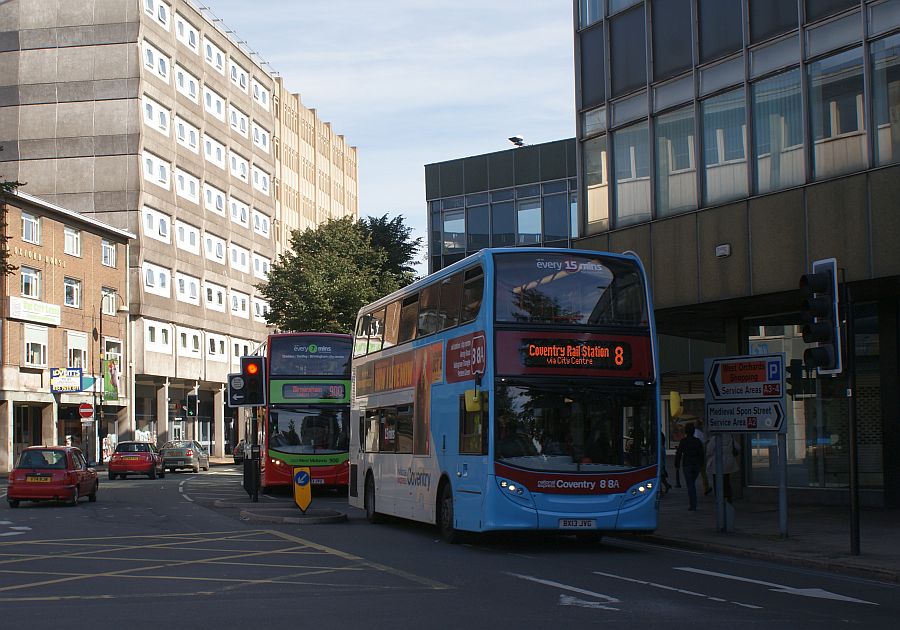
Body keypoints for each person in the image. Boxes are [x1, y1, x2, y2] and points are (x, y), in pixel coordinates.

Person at [674, 424, 704, 511]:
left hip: (687, 464)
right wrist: (701, 464)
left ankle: (693, 504)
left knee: (690, 484)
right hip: (696, 465)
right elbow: (701, 453)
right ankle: (693, 503)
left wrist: (677, 464)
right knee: (692, 483)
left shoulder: (683, 441)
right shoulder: (697, 441)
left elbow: (679, 453)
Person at [705, 432, 740, 502]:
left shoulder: (715, 438)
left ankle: (719, 498)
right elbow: (738, 447)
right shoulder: (730, 436)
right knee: (726, 480)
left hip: (717, 462)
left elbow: (709, 450)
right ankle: (728, 497)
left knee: (717, 481)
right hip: (728, 462)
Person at [693, 421, 711, 496]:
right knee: (703, 472)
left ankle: (704, 488)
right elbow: (705, 441)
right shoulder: (699, 433)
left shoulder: (694, 433)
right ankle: (706, 488)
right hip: (700, 455)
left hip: (693, 456)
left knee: (696, 473)